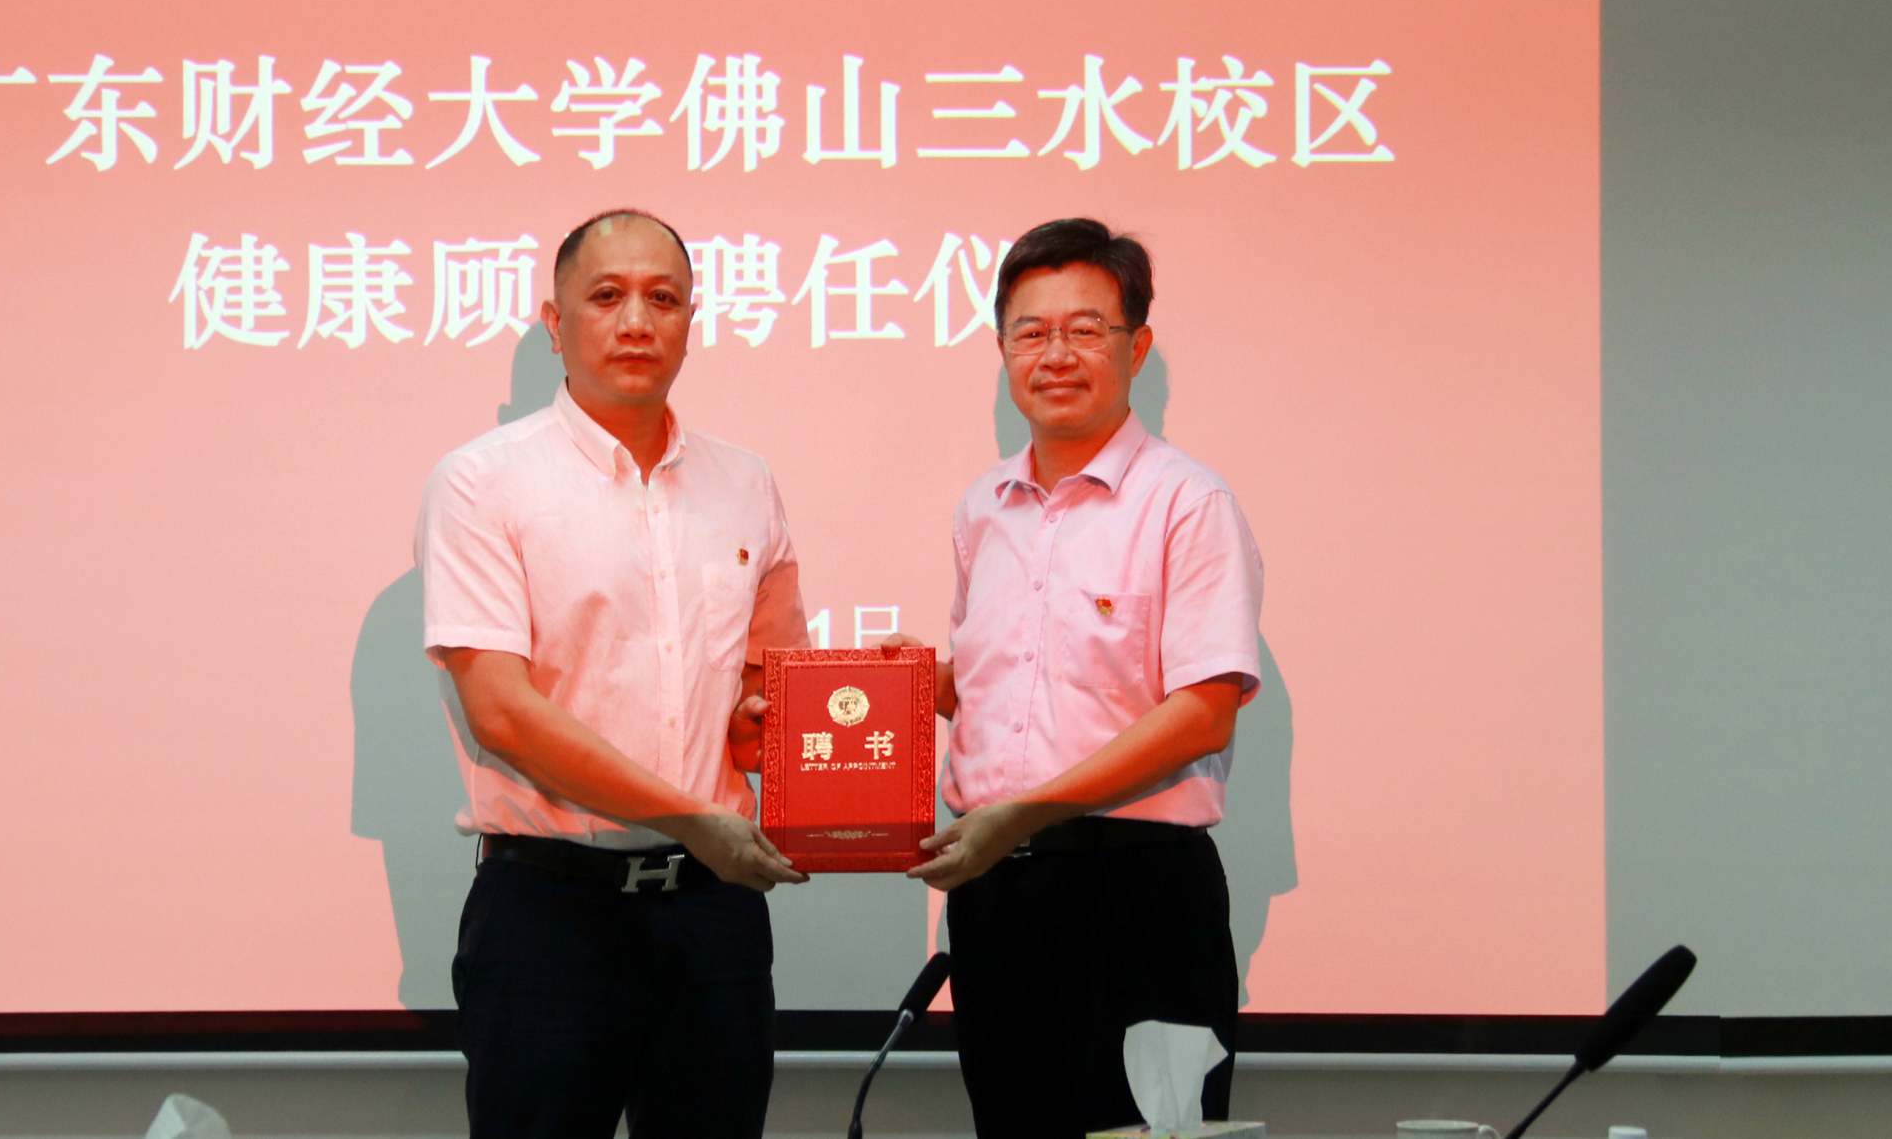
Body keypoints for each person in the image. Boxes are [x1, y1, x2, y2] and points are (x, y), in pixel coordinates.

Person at [415, 208, 809, 1139]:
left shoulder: (745, 483)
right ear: (555, 323)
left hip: (711, 917)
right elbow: (502, 716)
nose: (636, 321)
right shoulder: (481, 481)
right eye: (606, 296)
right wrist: (690, 817)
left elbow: (768, 696)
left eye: (663, 299)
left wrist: (826, 716)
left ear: (690, 322)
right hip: (549, 914)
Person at [902, 216, 1263, 1138]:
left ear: (1136, 347)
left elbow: (1203, 713)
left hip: (1137, 895)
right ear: (1001, 351)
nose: (1054, 354)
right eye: (1030, 331)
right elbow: (1000, 680)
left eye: (1085, 329)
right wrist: (896, 692)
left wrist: (1025, 811)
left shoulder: (1188, 502)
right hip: (995, 893)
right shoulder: (982, 507)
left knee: (1146, 1134)